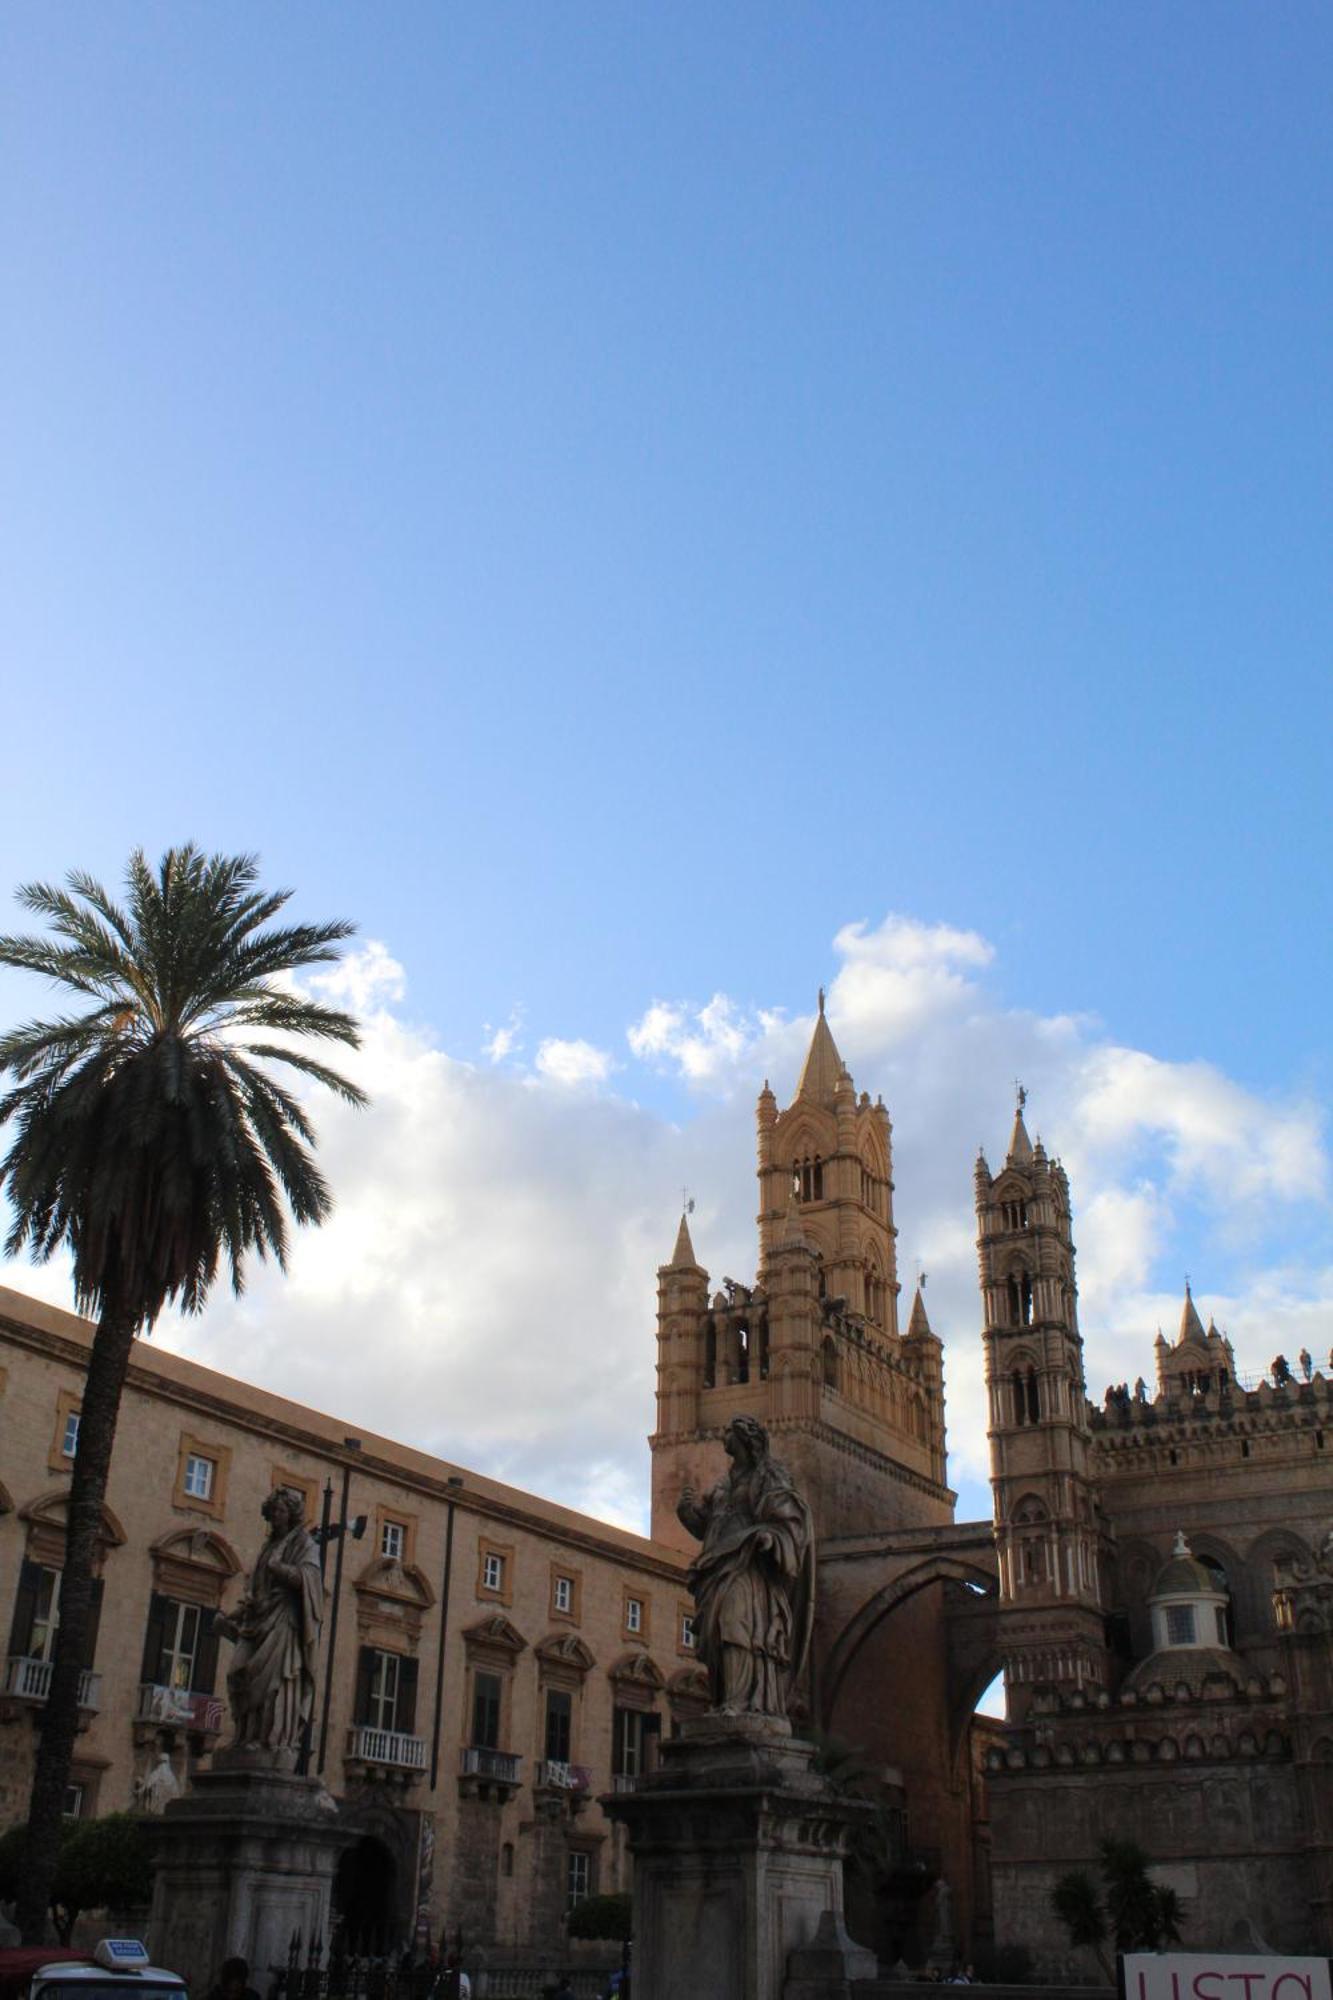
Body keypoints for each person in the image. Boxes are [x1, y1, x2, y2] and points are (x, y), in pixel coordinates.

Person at [677, 1413, 815, 1718]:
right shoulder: (724, 1484)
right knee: (714, 1636)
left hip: (748, 1567)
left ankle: (740, 1702)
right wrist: (687, 1514)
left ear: (745, 1440)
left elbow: (789, 1519)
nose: (724, 1436)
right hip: (716, 1567)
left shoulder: (767, 1476)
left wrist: (770, 1536)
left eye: (730, 1432)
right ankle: (723, 1699)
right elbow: (708, 1526)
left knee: (734, 1625)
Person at [214, 1487, 323, 1761]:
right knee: (239, 1672)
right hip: (258, 1618)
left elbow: (309, 1579)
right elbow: (255, 1591)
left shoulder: (304, 1544)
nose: (276, 1516)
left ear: (292, 1514)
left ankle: (267, 1741)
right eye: (273, 1511)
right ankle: (244, 1736)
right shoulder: (269, 1547)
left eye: (282, 1511)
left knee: (273, 1684)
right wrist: (232, 1616)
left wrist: (280, 1569)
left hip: (284, 1620)